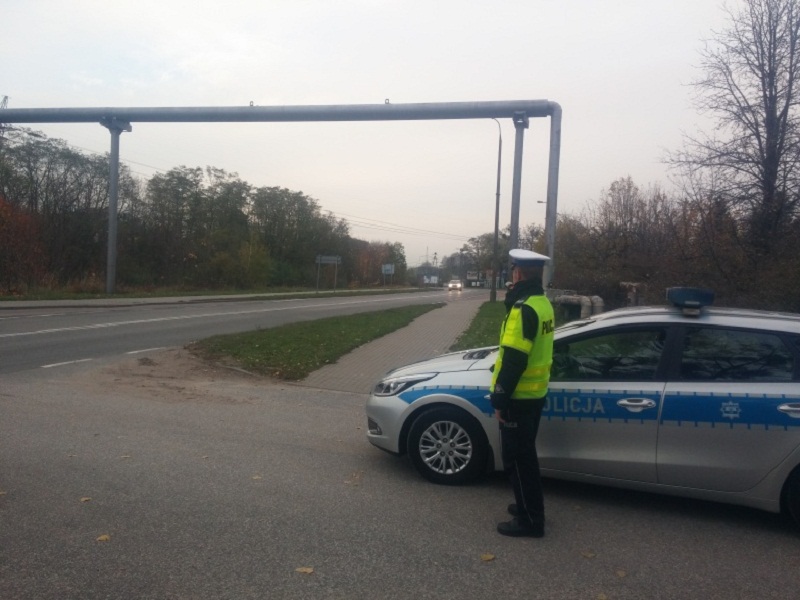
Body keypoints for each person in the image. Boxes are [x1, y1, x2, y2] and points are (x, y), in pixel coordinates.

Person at [490, 249, 555, 537]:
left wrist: (500, 399)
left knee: (518, 460)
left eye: (513, 271)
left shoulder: (523, 309)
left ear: (517, 273)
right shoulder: (542, 303)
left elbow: (515, 359)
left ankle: (530, 520)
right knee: (525, 456)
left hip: (518, 398)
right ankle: (526, 505)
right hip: (535, 395)